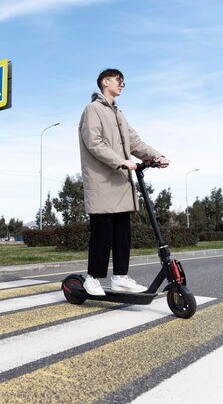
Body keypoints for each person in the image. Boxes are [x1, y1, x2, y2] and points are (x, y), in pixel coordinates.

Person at [78, 68, 169, 296]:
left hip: (120, 183)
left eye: (123, 83)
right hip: (102, 181)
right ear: (105, 81)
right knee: (103, 232)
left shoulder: (119, 114)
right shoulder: (93, 110)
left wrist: (156, 156)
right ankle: (93, 278)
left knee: (122, 232)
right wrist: (121, 161)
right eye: (119, 81)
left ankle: (120, 277)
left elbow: (135, 142)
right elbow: (94, 143)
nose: (122, 85)